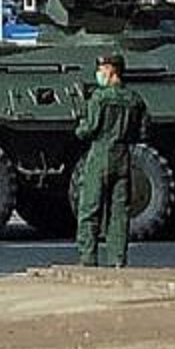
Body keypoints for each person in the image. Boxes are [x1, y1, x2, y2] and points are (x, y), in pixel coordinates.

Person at [74, 53, 147, 268]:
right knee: (120, 212)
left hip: (100, 154)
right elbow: (143, 131)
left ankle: (88, 257)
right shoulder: (135, 99)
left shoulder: (99, 98)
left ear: (112, 70)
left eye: (102, 68)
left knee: (90, 207)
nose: (99, 73)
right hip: (123, 156)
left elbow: (89, 130)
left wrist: (79, 127)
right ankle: (118, 259)